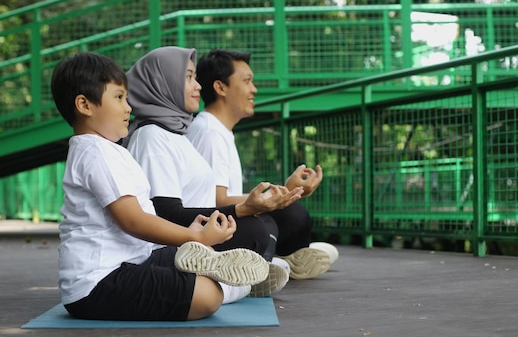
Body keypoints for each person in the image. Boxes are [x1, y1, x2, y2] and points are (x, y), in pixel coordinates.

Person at [50, 51, 269, 321]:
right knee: (207, 297)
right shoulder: (95, 153)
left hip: (135, 260)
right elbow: (134, 221)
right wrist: (194, 237)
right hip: (97, 282)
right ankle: (234, 284)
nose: (128, 107)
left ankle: (225, 275)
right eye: (119, 97)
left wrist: (191, 234)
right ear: (85, 105)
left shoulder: (108, 149)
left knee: (198, 256)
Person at [124, 46, 294, 299]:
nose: (198, 86)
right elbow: (165, 212)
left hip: (200, 235)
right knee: (255, 229)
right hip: (178, 243)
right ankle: (238, 280)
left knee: (268, 223)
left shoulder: (177, 134)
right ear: (163, 82)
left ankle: (242, 272)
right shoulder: (152, 137)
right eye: (188, 77)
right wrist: (241, 209)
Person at [187, 48, 339, 279]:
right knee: (275, 219)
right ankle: (269, 263)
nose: (254, 89)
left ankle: (281, 260)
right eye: (247, 81)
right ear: (220, 87)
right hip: (209, 226)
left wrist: (286, 193)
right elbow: (216, 201)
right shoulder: (210, 133)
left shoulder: (218, 130)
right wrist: (281, 195)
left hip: (223, 218)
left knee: (292, 214)